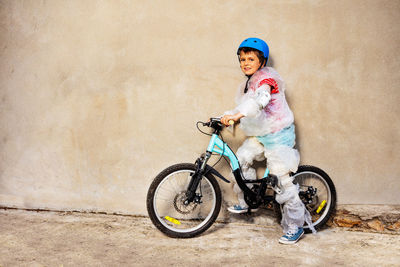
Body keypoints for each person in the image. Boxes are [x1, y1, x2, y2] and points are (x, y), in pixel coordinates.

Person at [220, 37, 314, 244]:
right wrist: (224, 116)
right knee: (241, 159)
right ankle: (248, 201)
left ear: (261, 62)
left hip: (278, 135)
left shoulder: (266, 80)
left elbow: (260, 101)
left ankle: (295, 227)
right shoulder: (251, 82)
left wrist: (237, 117)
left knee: (282, 181)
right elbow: (243, 106)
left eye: (250, 59)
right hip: (263, 135)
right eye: (242, 59)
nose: (245, 63)